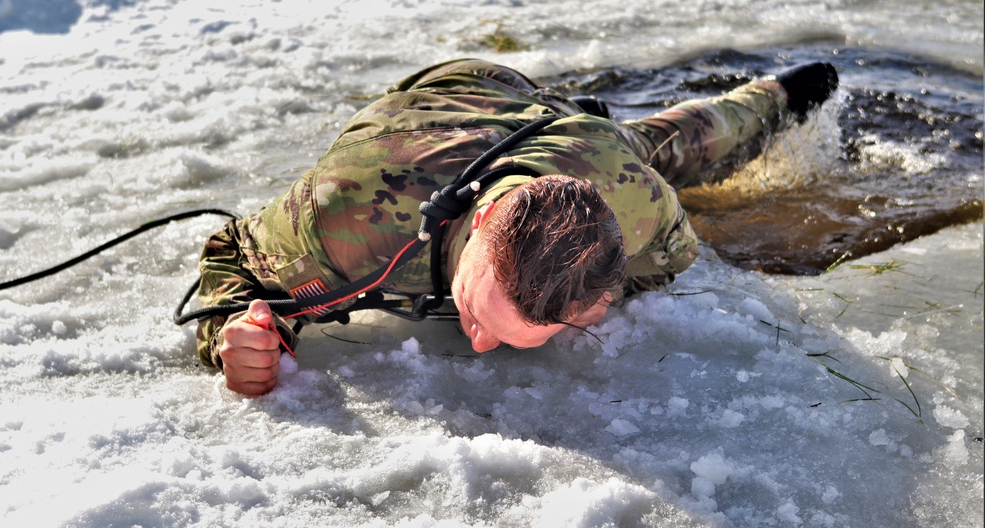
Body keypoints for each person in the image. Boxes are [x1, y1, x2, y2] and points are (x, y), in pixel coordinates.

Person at [195, 57, 839, 396]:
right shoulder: (346, 218)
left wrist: (596, 294)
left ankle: (781, 92)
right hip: (449, 91)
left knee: (679, 140)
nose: (476, 344)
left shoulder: (631, 194)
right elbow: (232, 252)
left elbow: (669, 261)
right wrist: (238, 335)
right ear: (477, 223)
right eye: (479, 315)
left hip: (565, 132)